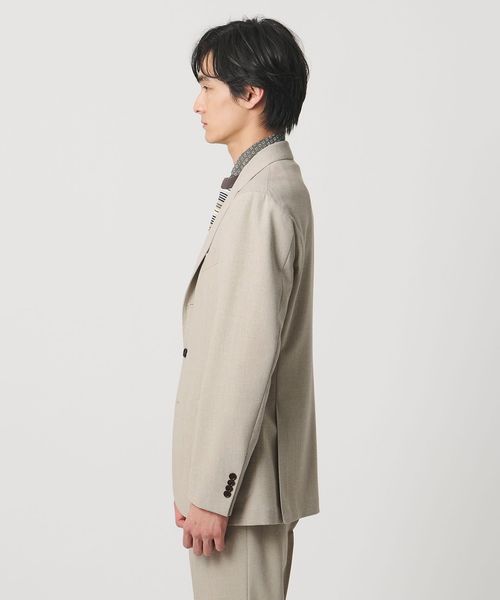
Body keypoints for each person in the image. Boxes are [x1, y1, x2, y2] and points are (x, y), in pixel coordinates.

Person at [171, 16, 320, 599]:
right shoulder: (261, 184)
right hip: (241, 491)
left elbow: (246, 358)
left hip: (242, 495)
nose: (197, 103)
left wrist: (213, 490)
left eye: (208, 87)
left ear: (251, 93)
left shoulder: (261, 198)